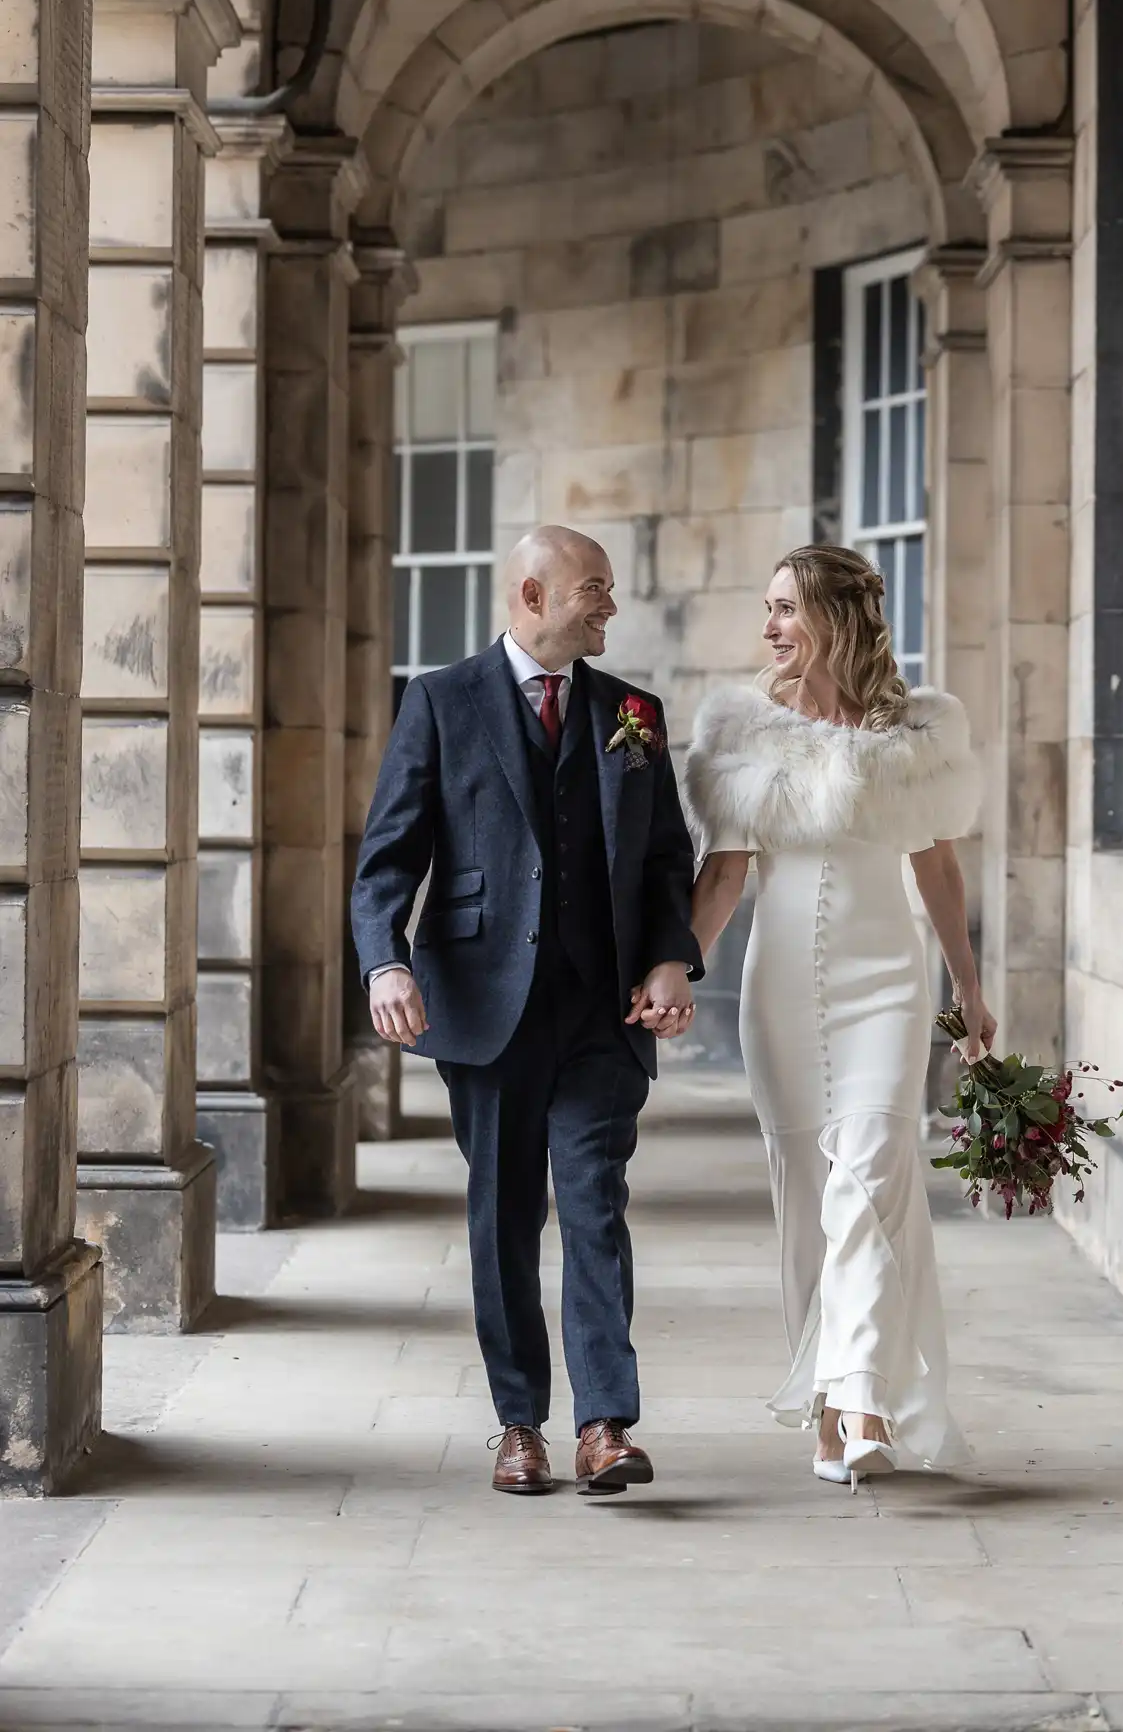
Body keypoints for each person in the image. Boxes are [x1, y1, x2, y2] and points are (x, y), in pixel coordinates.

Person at [350, 525, 702, 1499]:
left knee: (595, 1207)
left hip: (601, 1012)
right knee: (503, 1218)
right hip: (482, 1005)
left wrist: (672, 956)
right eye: (593, 588)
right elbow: (388, 853)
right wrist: (383, 960)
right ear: (532, 595)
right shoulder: (440, 698)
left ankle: (602, 1424)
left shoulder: (634, 712)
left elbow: (668, 858)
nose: (609, 605)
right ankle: (519, 1423)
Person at [684, 544, 994, 1486]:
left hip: (888, 989)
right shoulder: (743, 731)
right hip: (779, 993)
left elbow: (936, 868)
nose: (769, 625)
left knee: (866, 1178)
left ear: (833, 616)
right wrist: (672, 971)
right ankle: (829, 1414)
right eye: (766, 607)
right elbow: (725, 875)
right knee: (807, 1206)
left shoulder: (919, 731)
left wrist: (969, 994)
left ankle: (862, 1399)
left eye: (785, 607)